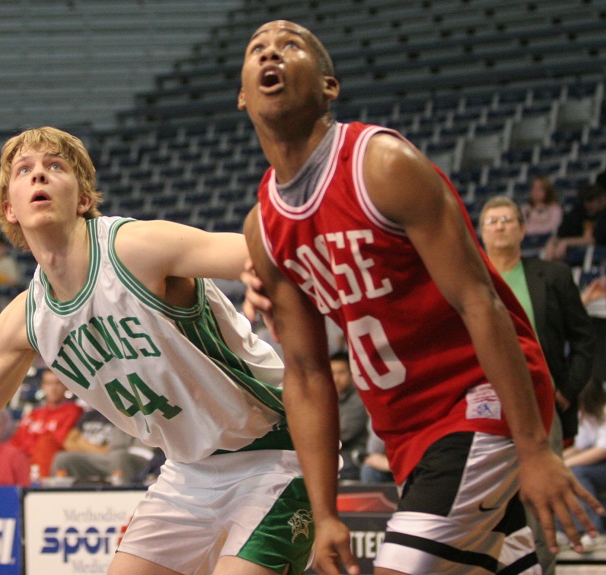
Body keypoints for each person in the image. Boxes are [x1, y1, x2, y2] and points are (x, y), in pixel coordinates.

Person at [237, 20, 602, 575]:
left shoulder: (381, 165)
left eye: (291, 45)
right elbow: (308, 372)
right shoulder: (263, 229)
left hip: (479, 401)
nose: (273, 54)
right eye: (258, 48)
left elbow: (480, 302)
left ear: (329, 86)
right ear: (242, 95)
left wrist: (534, 448)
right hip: (407, 432)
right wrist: (324, 511)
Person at [0, 126, 314, 575]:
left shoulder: (134, 249)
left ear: (84, 198)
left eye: (55, 166)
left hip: (275, 449)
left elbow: (261, 252)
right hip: (189, 471)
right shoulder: (26, 319)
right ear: (9, 208)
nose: (39, 176)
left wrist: (264, 279)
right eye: (25, 170)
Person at [479, 195, 595, 574]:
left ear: (522, 228)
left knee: (540, 501)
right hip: (481, 407)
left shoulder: (553, 276)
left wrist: (565, 391)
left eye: (507, 219)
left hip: (541, 403)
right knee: (484, 500)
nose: (499, 226)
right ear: (480, 232)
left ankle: (543, 569)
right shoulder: (469, 276)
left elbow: (584, 339)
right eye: (492, 220)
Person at [7, 368, 82, 479]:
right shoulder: (33, 414)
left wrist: (31, 447)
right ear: (43, 386)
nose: (53, 388)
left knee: (45, 444)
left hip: (50, 465)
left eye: (58, 383)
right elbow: (15, 442)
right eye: (48, 383)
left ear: (65, 386)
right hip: (26, 462)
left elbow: (59, 441)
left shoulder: (73, 411)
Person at [558, 378, 606, 551]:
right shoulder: (585, 415)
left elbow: (602, 450)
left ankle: (594, 532)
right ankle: (562, 530)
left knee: (577, 472)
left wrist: (568, 464)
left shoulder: (604, 411)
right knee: (557, 475)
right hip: (597, 465)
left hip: (602, 463)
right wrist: (557, 460)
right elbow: (580, 446)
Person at [51, 407, 153, 484]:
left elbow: (115, 447)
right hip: (93, 457)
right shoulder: (91, 414)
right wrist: (95, 449)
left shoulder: (124, 413)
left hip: (114, 457)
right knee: (61, 458)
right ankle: (61, 496)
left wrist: (83, 443)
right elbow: (68, 442)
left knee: (118, 456)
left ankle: (122, 494)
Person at [543, 182, 606, 263]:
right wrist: (552, 242)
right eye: (585, 201)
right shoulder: (577, 212)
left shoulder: (603, 215)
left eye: (591, 200)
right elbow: (561, 233)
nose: (588, 205)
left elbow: (594, 239)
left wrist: (566, 242)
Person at [330, 351, 368, 481]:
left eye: (341, 373)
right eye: (332, 373)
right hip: (331, 452)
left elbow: (343, 434)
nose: (336, 378)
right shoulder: (325, 399)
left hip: (353, 455)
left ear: (352, 375)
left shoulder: (359, 400)